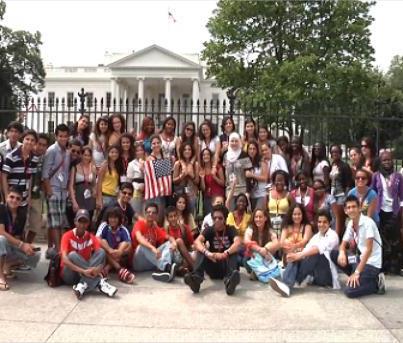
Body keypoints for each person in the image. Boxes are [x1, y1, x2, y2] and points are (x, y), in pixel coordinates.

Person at [269, 209, 340, 297]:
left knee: (314, 254)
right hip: (315, 275)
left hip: (327, 277)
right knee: (299, 255)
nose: (321, 225)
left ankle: (288, 283)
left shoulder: (333, 235)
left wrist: (298, 255)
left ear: (329, 223)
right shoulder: (316, 236)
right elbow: (305, 250)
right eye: (319, 222)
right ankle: (286, 284)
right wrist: (294, 255)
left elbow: (318, 249)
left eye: (325, 222)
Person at [330, 195, 385, 298]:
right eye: (349, 207)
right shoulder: (351, 223)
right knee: (334, 254)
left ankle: (376, 283)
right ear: (345, 210)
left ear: (359, 208)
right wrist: (342, 252)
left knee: (349, 291)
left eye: (354, 207)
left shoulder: (368, 223)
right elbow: (343, 243)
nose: (351, 210)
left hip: (371, 264)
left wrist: (357, 272)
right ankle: (358, 277)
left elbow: (369, 250)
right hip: (359, 260)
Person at [184, 205, 242, 295]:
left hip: (226, 266)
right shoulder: (209, 230)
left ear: (225, 219)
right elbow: (197, 242)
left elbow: (238, 243)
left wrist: (226, 253)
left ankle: (230, 282)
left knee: (233, 252)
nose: (217, 220)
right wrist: (208, 253)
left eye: (220, 218)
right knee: (201, 249)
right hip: (213, 263)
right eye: (215, 218)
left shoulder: (231, 229)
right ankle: (196, 280)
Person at [60, 209, 118, 299]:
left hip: (85, 273)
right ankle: (99, 283)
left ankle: (82, 285)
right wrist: (83, 271)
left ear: (88, 223)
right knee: (72, 255)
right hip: (70, 273)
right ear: (75, 222)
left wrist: (98, 268)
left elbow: (101, 257)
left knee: (102, 252)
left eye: (85, 222)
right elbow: (65, 260)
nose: (82, 225)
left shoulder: (91, 236)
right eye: (80, 221)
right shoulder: (67, 235)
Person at [0, 187, 41, 289]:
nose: (14, 200)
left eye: (18, 198)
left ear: (21, 201)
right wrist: (21, 245)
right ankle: (0, 276)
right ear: (7, 197)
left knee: (35, 255)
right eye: (12, 197)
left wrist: (27, 246)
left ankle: (6, 265)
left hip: (7, 246)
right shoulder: (1, 209)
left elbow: (17, 238)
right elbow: (1, 232)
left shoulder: (21, 215)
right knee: (1, 239)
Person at [371, 150, 403, 275]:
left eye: (389, 160)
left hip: (394, 211)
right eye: (384, 160)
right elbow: (373, 194)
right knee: (381, 239)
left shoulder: (398, 177)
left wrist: (400, 211)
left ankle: (394, 266)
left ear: (392, 160)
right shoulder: (376, 176)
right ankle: (382, 266)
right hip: (380, 211)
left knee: (395, 239)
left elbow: (401, 195)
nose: (387, 162)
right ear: (380, 161)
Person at [42, 124, 71, 256]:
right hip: (53, 189)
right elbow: (45, 174)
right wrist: (49, 192)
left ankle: (56, 248)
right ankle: (59, 250)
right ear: (56, 136)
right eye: (61, 136)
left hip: (62, 190)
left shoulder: (67, 151)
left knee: (60, 221)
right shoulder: (51, 150)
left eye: (65, 136)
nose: (63, 138)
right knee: (55, 221)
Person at [131, 203, 177, 282]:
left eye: (153, 212)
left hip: (151, 262)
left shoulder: (155, 227)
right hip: (138, 263)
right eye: (148, 212)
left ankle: (165, 269)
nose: (150, 214)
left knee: (169, 244)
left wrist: (174, 243)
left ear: (156, 215)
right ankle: (166, 267)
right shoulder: (139, 224)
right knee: (141, 246)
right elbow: (139, 238)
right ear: (145, 213)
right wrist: (152, 248)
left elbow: (169, 237)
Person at [2, 129, 39, 228]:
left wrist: (29, 196)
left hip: (23, 198)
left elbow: (30, 178)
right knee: (8, 225)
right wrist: (6, 196)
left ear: (35, 143)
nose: (29, 142)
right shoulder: (11, 156)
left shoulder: (34, 158)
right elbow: (4, 176)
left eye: (32, 140)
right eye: (27, 139)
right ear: (23, 139)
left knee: (20, 226)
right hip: (12, 198)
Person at [96, 207, 135, 284]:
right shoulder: (104, 225)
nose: (112, 220)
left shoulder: (123, 229)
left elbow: (129, 245)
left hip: (118, 256)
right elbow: (97, 238)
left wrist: (120, 252)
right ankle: (119, 269)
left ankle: (107, 269)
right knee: (102, 242)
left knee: (124, 244)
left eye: (115, 218)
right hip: (106, 255)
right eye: (110, 217)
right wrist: (110, 250)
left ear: (119, 219)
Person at [143, 134, 173, 224]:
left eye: (158, 143)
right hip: (154, 193)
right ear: (151, 146)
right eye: (154, 143)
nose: (156, 145)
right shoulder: (149, 159)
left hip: (164, 193)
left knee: (161, 218)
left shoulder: (165, 157)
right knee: (153, 217)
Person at [243, 208, 280, 279]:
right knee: (246, 260)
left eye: (260, 217)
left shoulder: (270, 230)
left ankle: (259, 273)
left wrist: (266, 249)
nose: (258, 219)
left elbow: (276, 242)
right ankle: (261, 272)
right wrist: (260, 250)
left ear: (265, 218)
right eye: (256, 217)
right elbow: (246, 241)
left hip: (266, 256)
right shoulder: (250, 229)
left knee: (271, 248)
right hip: (253, 257)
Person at [26, 133, 49, 243]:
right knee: (20, 224)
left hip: (38, 195)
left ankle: (27, 246)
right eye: (39, 144)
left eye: (44, 145)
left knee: (35, 226)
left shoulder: (46, 159)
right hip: (24, 195)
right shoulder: (27, 155)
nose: (41, 147)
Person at [223, 132, 252, 210]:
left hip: (242, 190)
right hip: (230, 190)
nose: (234, 143)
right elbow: (225, 172)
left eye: (236, 141)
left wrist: (248, 192)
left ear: (239, 142)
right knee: (231, 215)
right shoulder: (226, 155)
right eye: (232, 141)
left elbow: (248, 175)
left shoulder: (244, 155)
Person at [68, 146, 97, 225]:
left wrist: (95, 193)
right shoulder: (75, 167)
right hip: (78, 196)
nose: (86, 157)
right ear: (81, 155)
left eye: (88, 155)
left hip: (89, 198)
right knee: (77, 220)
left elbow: (94, 184)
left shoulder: (93, 168)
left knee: (88, 220)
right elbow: (71, 185)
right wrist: (74, 201)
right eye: (85, 155)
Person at [329, 144, 353, 237]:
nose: (334, 154)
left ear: (340, 153)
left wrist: (346, 197)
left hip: (341, 194)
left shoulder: (344, 166)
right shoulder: (332, 165)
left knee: (340, 217)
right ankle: (335, 236)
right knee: (334, 217)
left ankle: (341, 237)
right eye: (333, 152)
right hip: (332, 194)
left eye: (337, 152)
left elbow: (348, 183)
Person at [165, 206, 195, 274]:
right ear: (167, 219)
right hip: (173, 256)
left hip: (185, 255)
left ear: (178, 216)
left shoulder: (184, 228)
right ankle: (194, 269)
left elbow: (192, 243)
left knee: (193, 257)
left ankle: (180, 269)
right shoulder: (165, 230)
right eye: (171, 217)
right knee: (179, 241)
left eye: (175, 216)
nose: (173, 218)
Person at [173, 142, 199, 213]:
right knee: (178, 213)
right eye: (185, 149)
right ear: (182, 151)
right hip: (179, 192)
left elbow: (197, 181)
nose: (187, 151)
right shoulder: (177, 164)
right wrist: (181, 176)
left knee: (190, 213)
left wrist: (192, 175)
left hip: (191, 192)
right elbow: (174, 181)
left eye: (189, 149)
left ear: (192, 151)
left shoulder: (195, 164)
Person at [96, 145, 124, 209]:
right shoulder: (104, 165)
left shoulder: (118, 166)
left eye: (116, 152)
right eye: (112, 152)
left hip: (115, 196)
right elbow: (99, 183)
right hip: (105, 196)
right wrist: (99, 200)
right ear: (108, 153)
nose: (114, 154)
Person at [199, 148, 225, 216]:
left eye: (207, 154)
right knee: (209, 216)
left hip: (218, 197)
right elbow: (203, 189)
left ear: (210, 156)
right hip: (208, 197)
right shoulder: (202, 169)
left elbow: (223, 183)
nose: (206, 156)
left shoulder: (217, 167)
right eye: (204, 155)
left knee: (219, 215)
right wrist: (202, 178)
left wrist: (215, 177)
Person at [267, 170, 293, 237]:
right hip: (271, 225)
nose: (279, 182)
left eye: (282, 180)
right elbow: (265, 211)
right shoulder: (268, 194)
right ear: (274, 181)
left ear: (285, 182)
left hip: (284, 225)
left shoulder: (289, 195)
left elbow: (294, 210)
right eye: (277, 180)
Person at [245, 140, 268, 210]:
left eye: (254, 149)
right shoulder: (245, 162)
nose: (252, 151)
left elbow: (265, 178)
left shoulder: (262, 162)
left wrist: (252, 175)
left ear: (257, 150)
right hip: (250, 195)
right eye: (250, 149)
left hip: (261, 194)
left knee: (258, 213)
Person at [126, 143, 146, 216]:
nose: (139, 152)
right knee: (136, 213)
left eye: (141, 150)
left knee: (145, 213)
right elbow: (128, 181)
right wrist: (136, 187)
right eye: (137, 151)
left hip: (147, 192)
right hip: (136, 192)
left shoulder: (148, 162)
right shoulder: (131, 164)